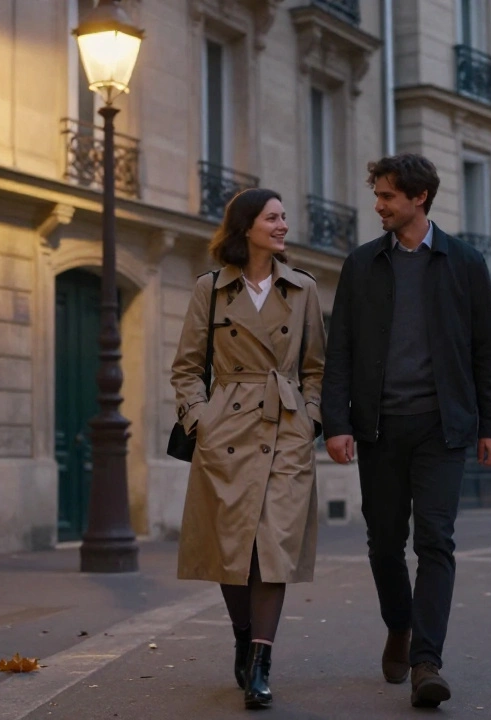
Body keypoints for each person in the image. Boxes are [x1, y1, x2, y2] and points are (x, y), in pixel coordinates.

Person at [321, 154, 491, 708]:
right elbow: (341, 352)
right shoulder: (361, 265)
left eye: (387, 197)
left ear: (418, 198)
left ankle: (427, 661)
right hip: (378, 427)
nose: (378, 205)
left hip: (441, 428)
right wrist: (336, 422)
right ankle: (399, 624)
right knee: (383, 545)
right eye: (377, 195)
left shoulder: (465, 263)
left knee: (435, 540)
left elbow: (485, 351)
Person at [171, 188, 326, 710]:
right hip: (226, 431)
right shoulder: (211, 289)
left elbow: (316, 368)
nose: (283, 225)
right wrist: (199, 420)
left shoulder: (303, 289)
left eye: (285, 216)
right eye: (273, 217)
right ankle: (243, 633)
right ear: (246, 227)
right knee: (230, 546)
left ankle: (261, 660)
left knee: (273, 547)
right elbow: (188, 367)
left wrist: (311, 419)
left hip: (284, 428)